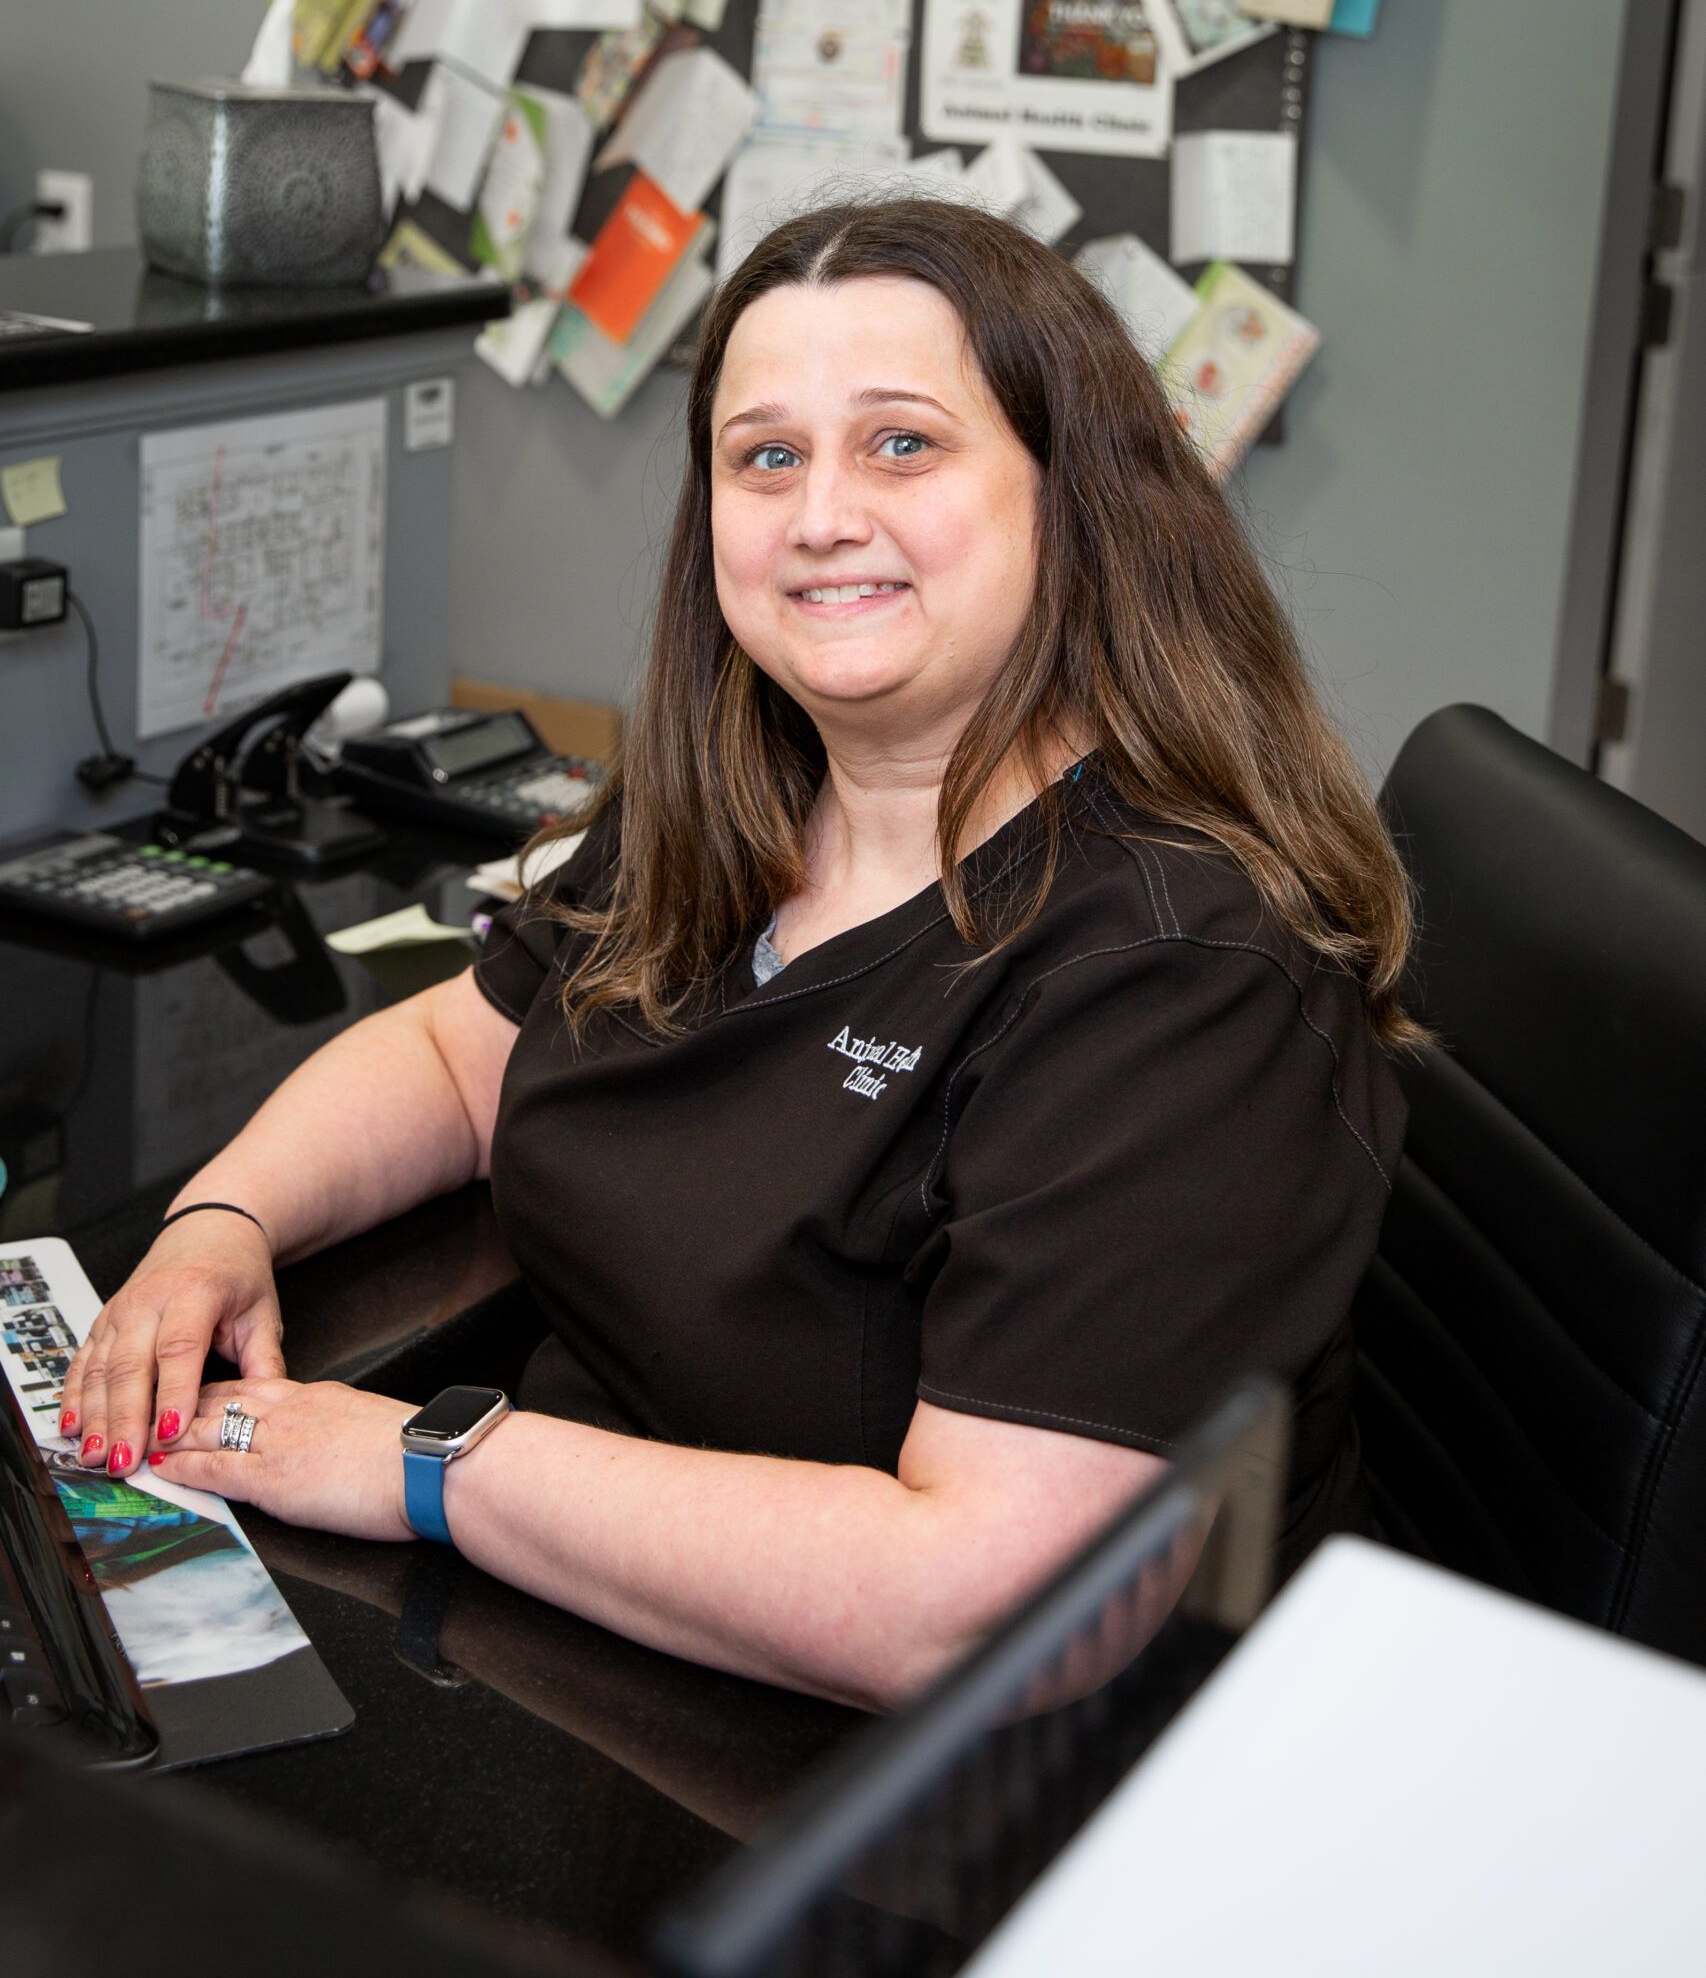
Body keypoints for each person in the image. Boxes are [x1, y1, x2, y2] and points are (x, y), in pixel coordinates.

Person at [61, 200, 1416, 1713]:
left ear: (1075, 495)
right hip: (608, 1632)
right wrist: (219, 1227)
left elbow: (974, 1612)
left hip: (956, 1809)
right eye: (765, 456)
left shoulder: (1180, 973)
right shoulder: (734, 796)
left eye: (901, 443)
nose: (821, 513)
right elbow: (459, 1052)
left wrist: (418, 1460)